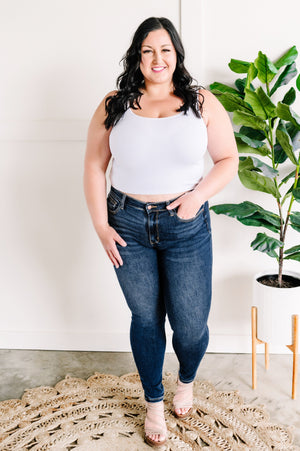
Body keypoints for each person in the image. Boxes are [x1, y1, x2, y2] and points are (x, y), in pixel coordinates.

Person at [83, 16, 238, 447]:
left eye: (165, 49)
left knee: (190, 325)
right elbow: (95, 167)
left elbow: (228, 160)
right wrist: (101, 224)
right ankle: (154, 402)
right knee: (146, 318)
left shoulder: (200, 101)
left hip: (186, 224)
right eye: (148, 50)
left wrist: (196, 197)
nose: (157, 58)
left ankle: (185, 380)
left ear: (177, 55)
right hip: (127, 223)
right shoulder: (114, 103)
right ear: (137, 55)